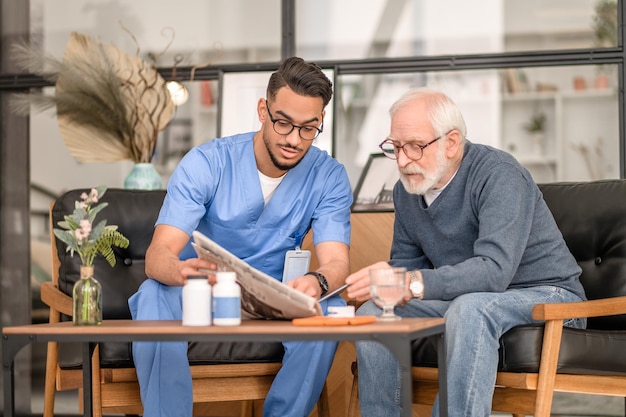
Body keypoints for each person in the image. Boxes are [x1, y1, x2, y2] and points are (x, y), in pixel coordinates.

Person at [129, 56, 352, 417]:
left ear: (321, 122)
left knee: (328, 308)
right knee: (155, 293)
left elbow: (337, 263)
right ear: (263, 110)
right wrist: (181, 272)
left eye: (308, 128)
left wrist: (317, 280)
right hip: (205, 292)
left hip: (274, 298)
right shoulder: (208, 163)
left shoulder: (328, 177)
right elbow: (158, 256)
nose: (294, 140)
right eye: (283, 123)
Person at [345, 87, 587, 417]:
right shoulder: (406, 191)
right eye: (396, 147)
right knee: (374, 312)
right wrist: (387, 284)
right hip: (468, 297)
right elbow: (407, 267)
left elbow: (493, 271)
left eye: (415, 147)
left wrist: (411, 283)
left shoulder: (498, 174)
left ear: (452, 142)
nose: (402, 161)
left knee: (470, 309)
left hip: (550, 296)